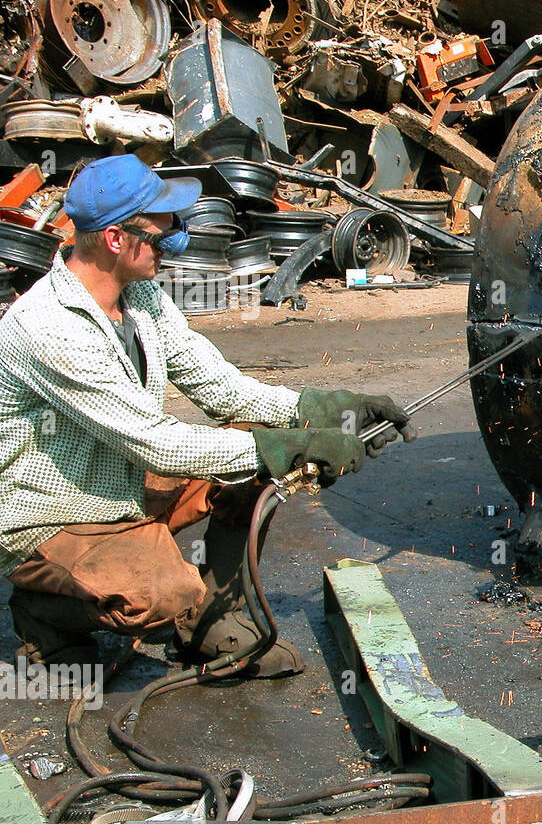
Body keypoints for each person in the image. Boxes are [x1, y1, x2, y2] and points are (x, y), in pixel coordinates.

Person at [0, 154, 414, 677]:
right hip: (50, 515)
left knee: (263, 450)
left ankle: (214, 619)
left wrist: (319, 412)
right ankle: (45, 613)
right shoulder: (50, 327)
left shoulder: (140, 295)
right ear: (114, 239)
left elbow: (218, 386)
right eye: (161, 228)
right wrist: (290, 446)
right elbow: (157, 443)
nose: (175, 237)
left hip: (121, 478)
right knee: (161, 593)